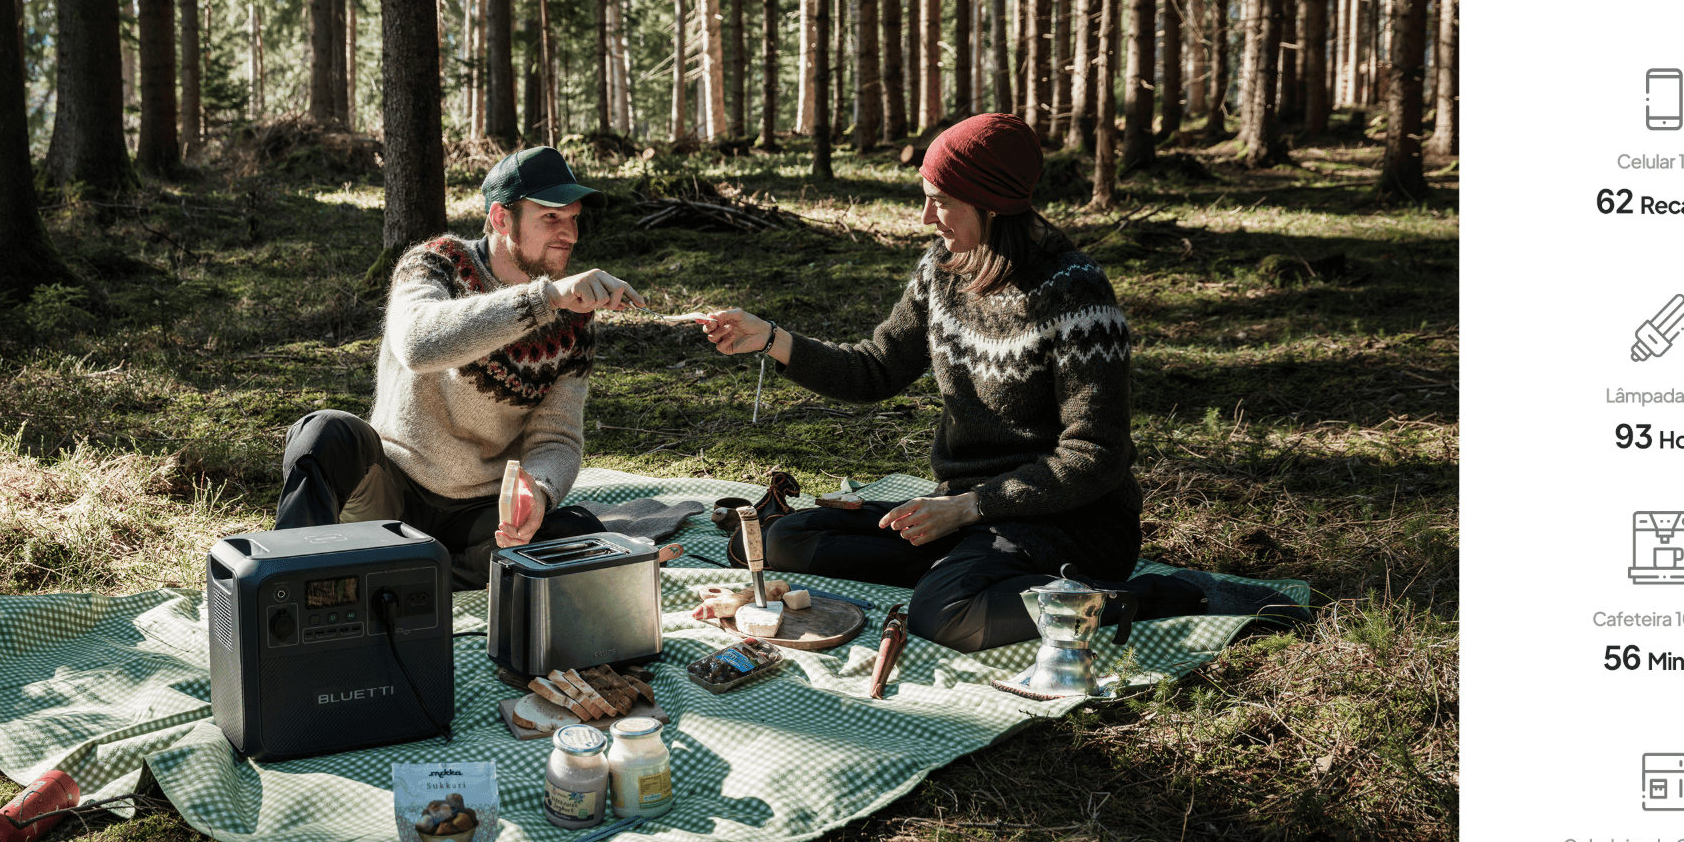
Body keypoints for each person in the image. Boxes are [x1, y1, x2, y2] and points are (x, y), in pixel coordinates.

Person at [690, 114, 1299, 652]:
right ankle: (969, 568)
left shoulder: (1075, 295)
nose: (927, 217)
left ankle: (1172, 596)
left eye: (942, 201)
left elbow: (1097, 457)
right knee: (780, 540)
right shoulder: (942, 268)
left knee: (944, 612)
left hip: (1067, 522)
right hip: (970, 515)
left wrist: (968, 507)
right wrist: (771, 339)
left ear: (993, 204)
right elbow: (878, 366)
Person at [276, 146, 647, 585]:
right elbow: (418, 344)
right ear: (500, 217)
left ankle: (403, 576)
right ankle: (289, 581)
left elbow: (557, 436)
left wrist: (540, 492)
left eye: (573, 218)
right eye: (551, 217)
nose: (569, 233)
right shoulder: (436, 263)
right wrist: (543, 298)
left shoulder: (572, 318)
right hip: (393, 485)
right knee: (323, 432)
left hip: (480, 514)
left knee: (578, 531)